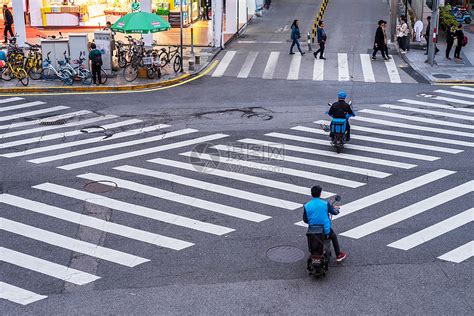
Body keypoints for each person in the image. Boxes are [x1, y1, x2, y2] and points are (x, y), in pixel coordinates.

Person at [303, 185, 347, 262]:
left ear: (311, 194)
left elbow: (305, 220)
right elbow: (334, 212)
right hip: (325, 231)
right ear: (320, 194)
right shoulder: (325, 204)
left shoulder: (306, 205)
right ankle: (338, 255)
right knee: (333, 236)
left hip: (312, 231)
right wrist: (336, 210)